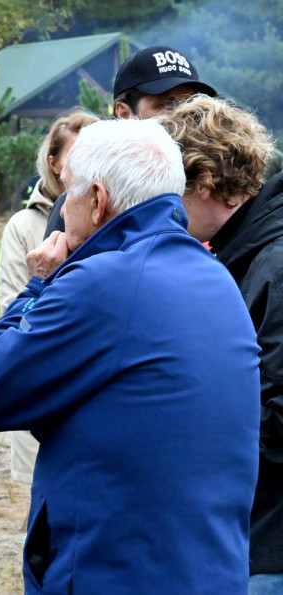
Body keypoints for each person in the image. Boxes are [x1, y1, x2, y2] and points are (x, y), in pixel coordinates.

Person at [0, 119, 261, 593]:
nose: (62, 210)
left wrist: (38, 285)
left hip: (114, 570)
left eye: (70, 194)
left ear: (98, 201)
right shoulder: (215, 277)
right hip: (206, 569)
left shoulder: (101, 283)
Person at [159, 95, 280, 593]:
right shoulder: (244, 250)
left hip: (269, 544)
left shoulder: (272, 266)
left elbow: (278, 420)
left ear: (206, 181)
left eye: (169, 190)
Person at [0, 109, 97, 485]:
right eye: (76, 159)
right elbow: (11, 306)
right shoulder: (24, 226)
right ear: (54, 164)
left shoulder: (113, 220)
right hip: (42, 376)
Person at [45, 45, 216, 237]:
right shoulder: (82, 201)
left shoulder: (218, 191)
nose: (184, 114)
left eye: (191, 103)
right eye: (168, 105)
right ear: (124, 113)